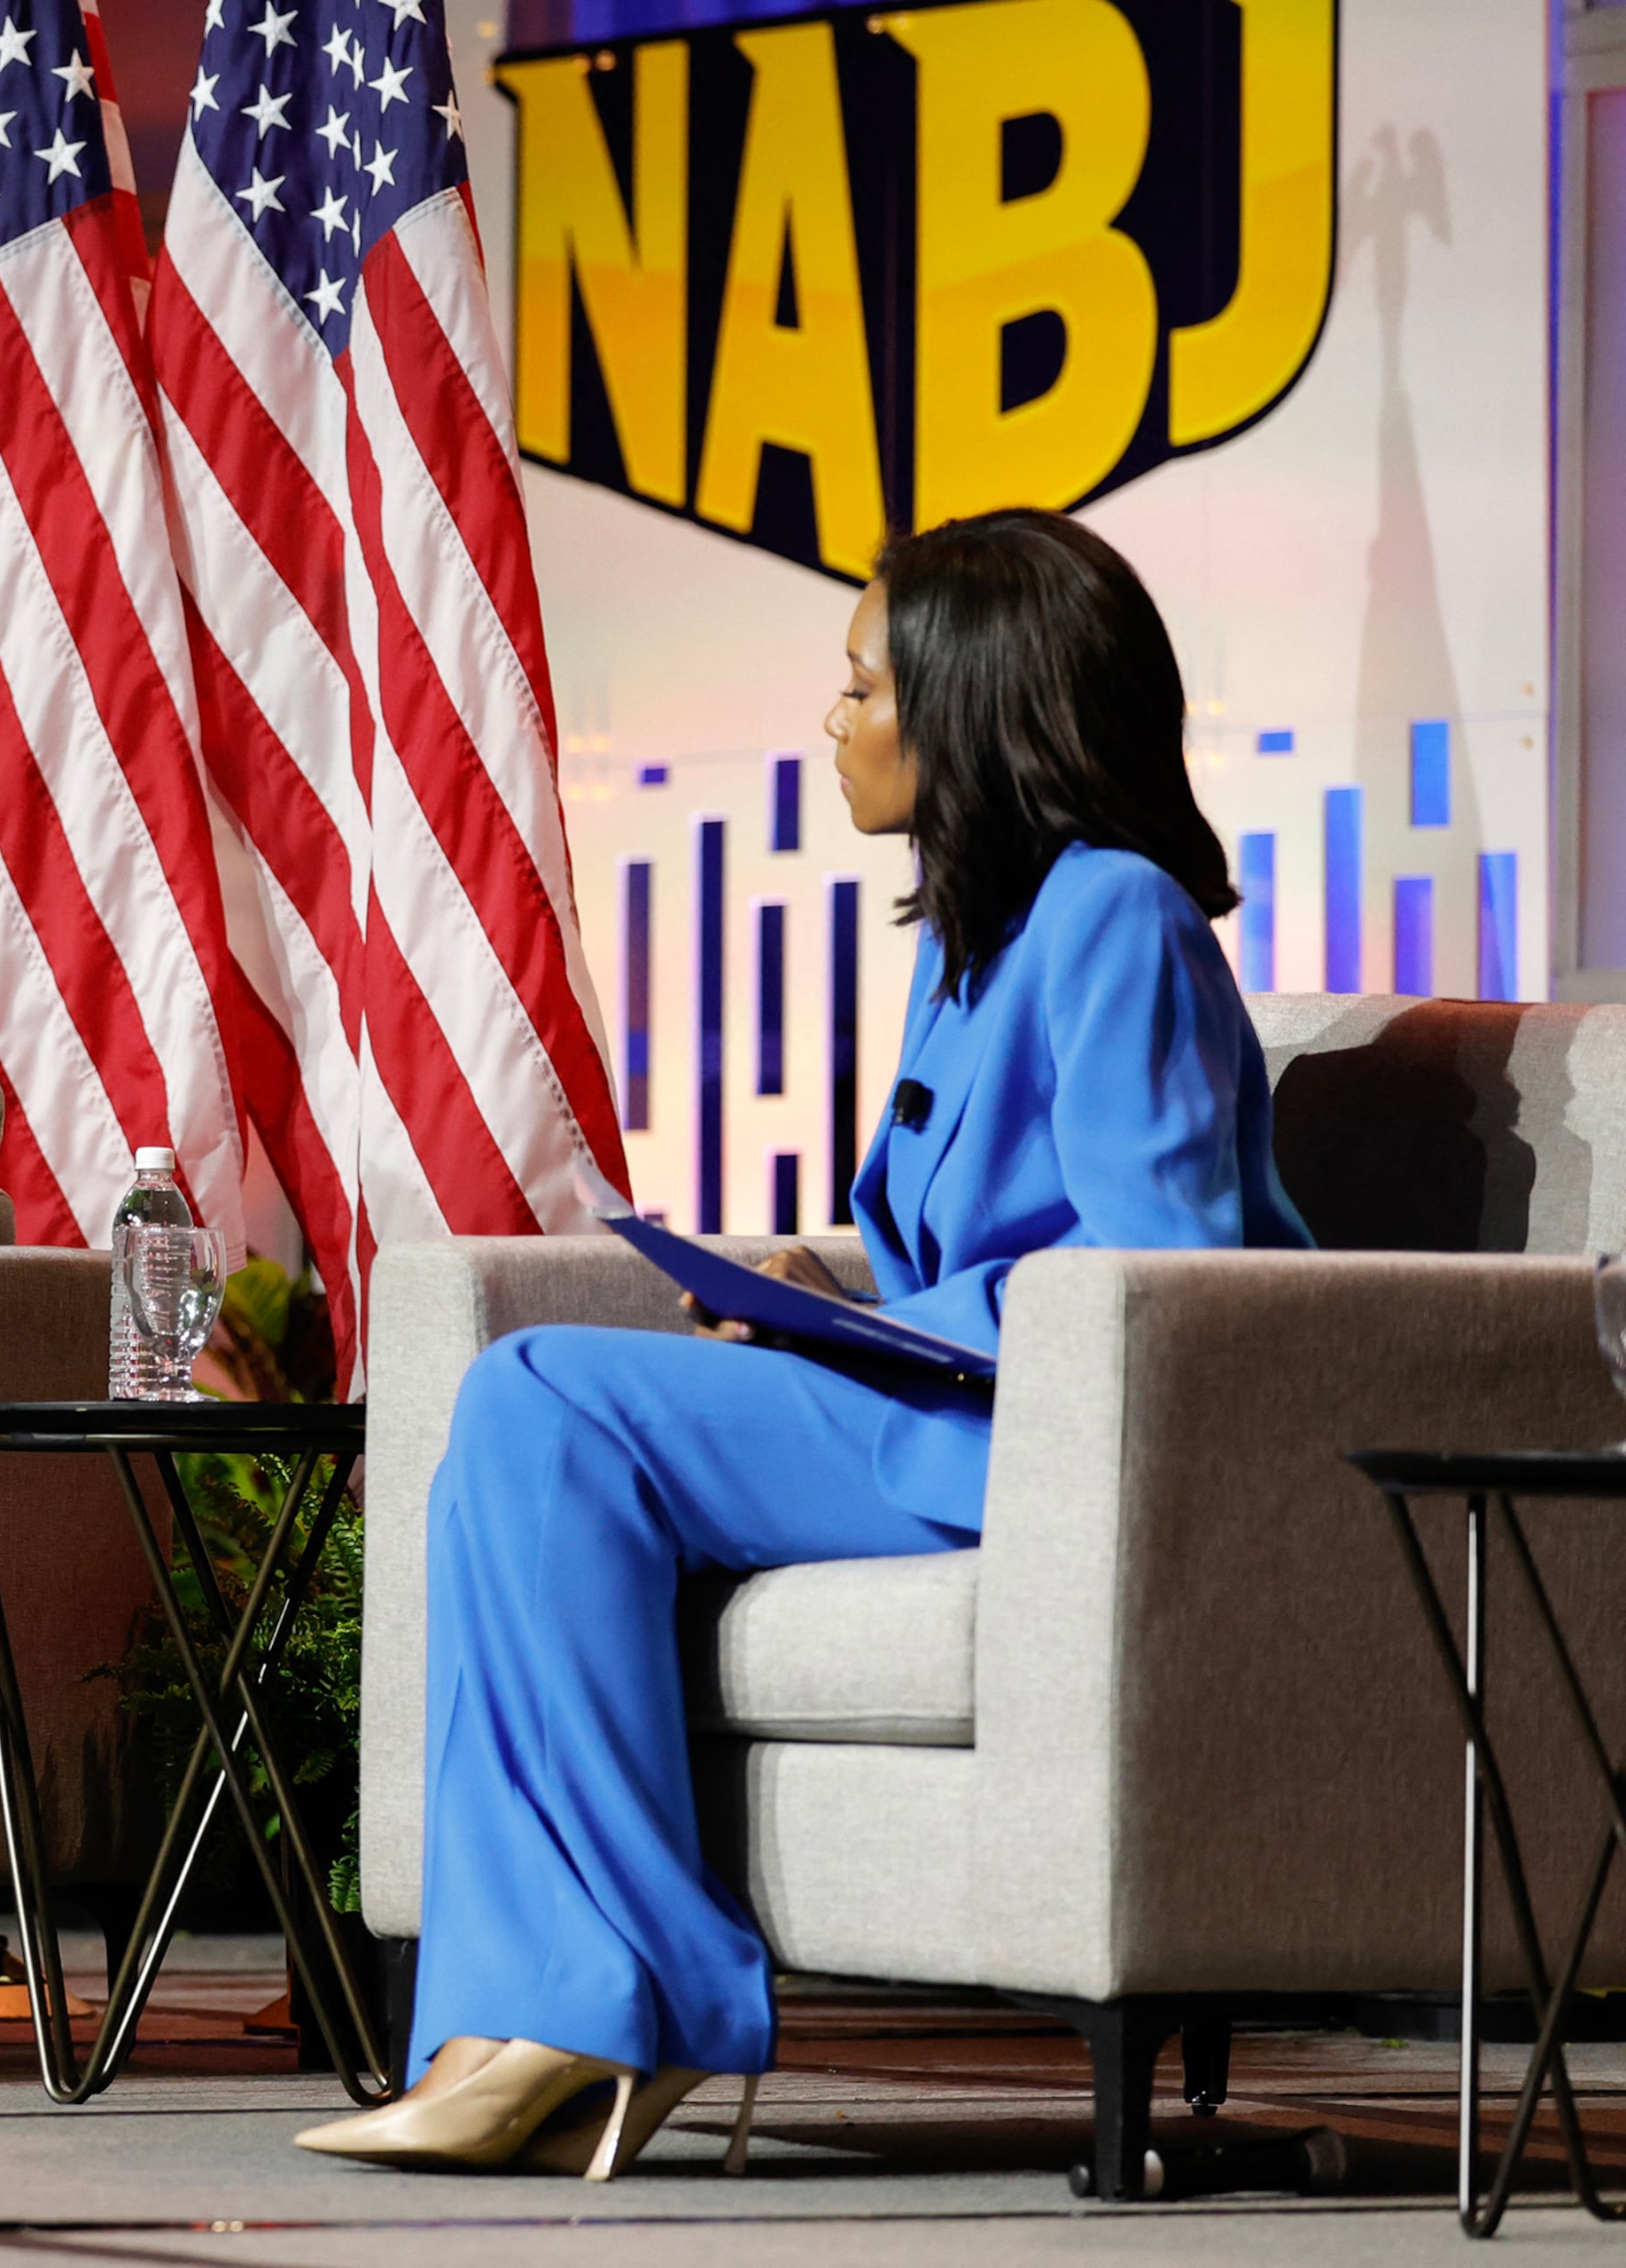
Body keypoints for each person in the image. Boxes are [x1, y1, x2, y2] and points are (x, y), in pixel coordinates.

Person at [299, 509, 1311, 2177]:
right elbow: (974, 1246)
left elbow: (1163, 1276)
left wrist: (863, 1330)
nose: (831, 720)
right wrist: (822, 1301)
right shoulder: (975, 944)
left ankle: (617, 2005)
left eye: (860, 686)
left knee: (546, 1391)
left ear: (973, 705)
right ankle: (512, 2015)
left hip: (1041, 1451)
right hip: (940, 1408)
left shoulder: (1117, 916)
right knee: (525, 1416)